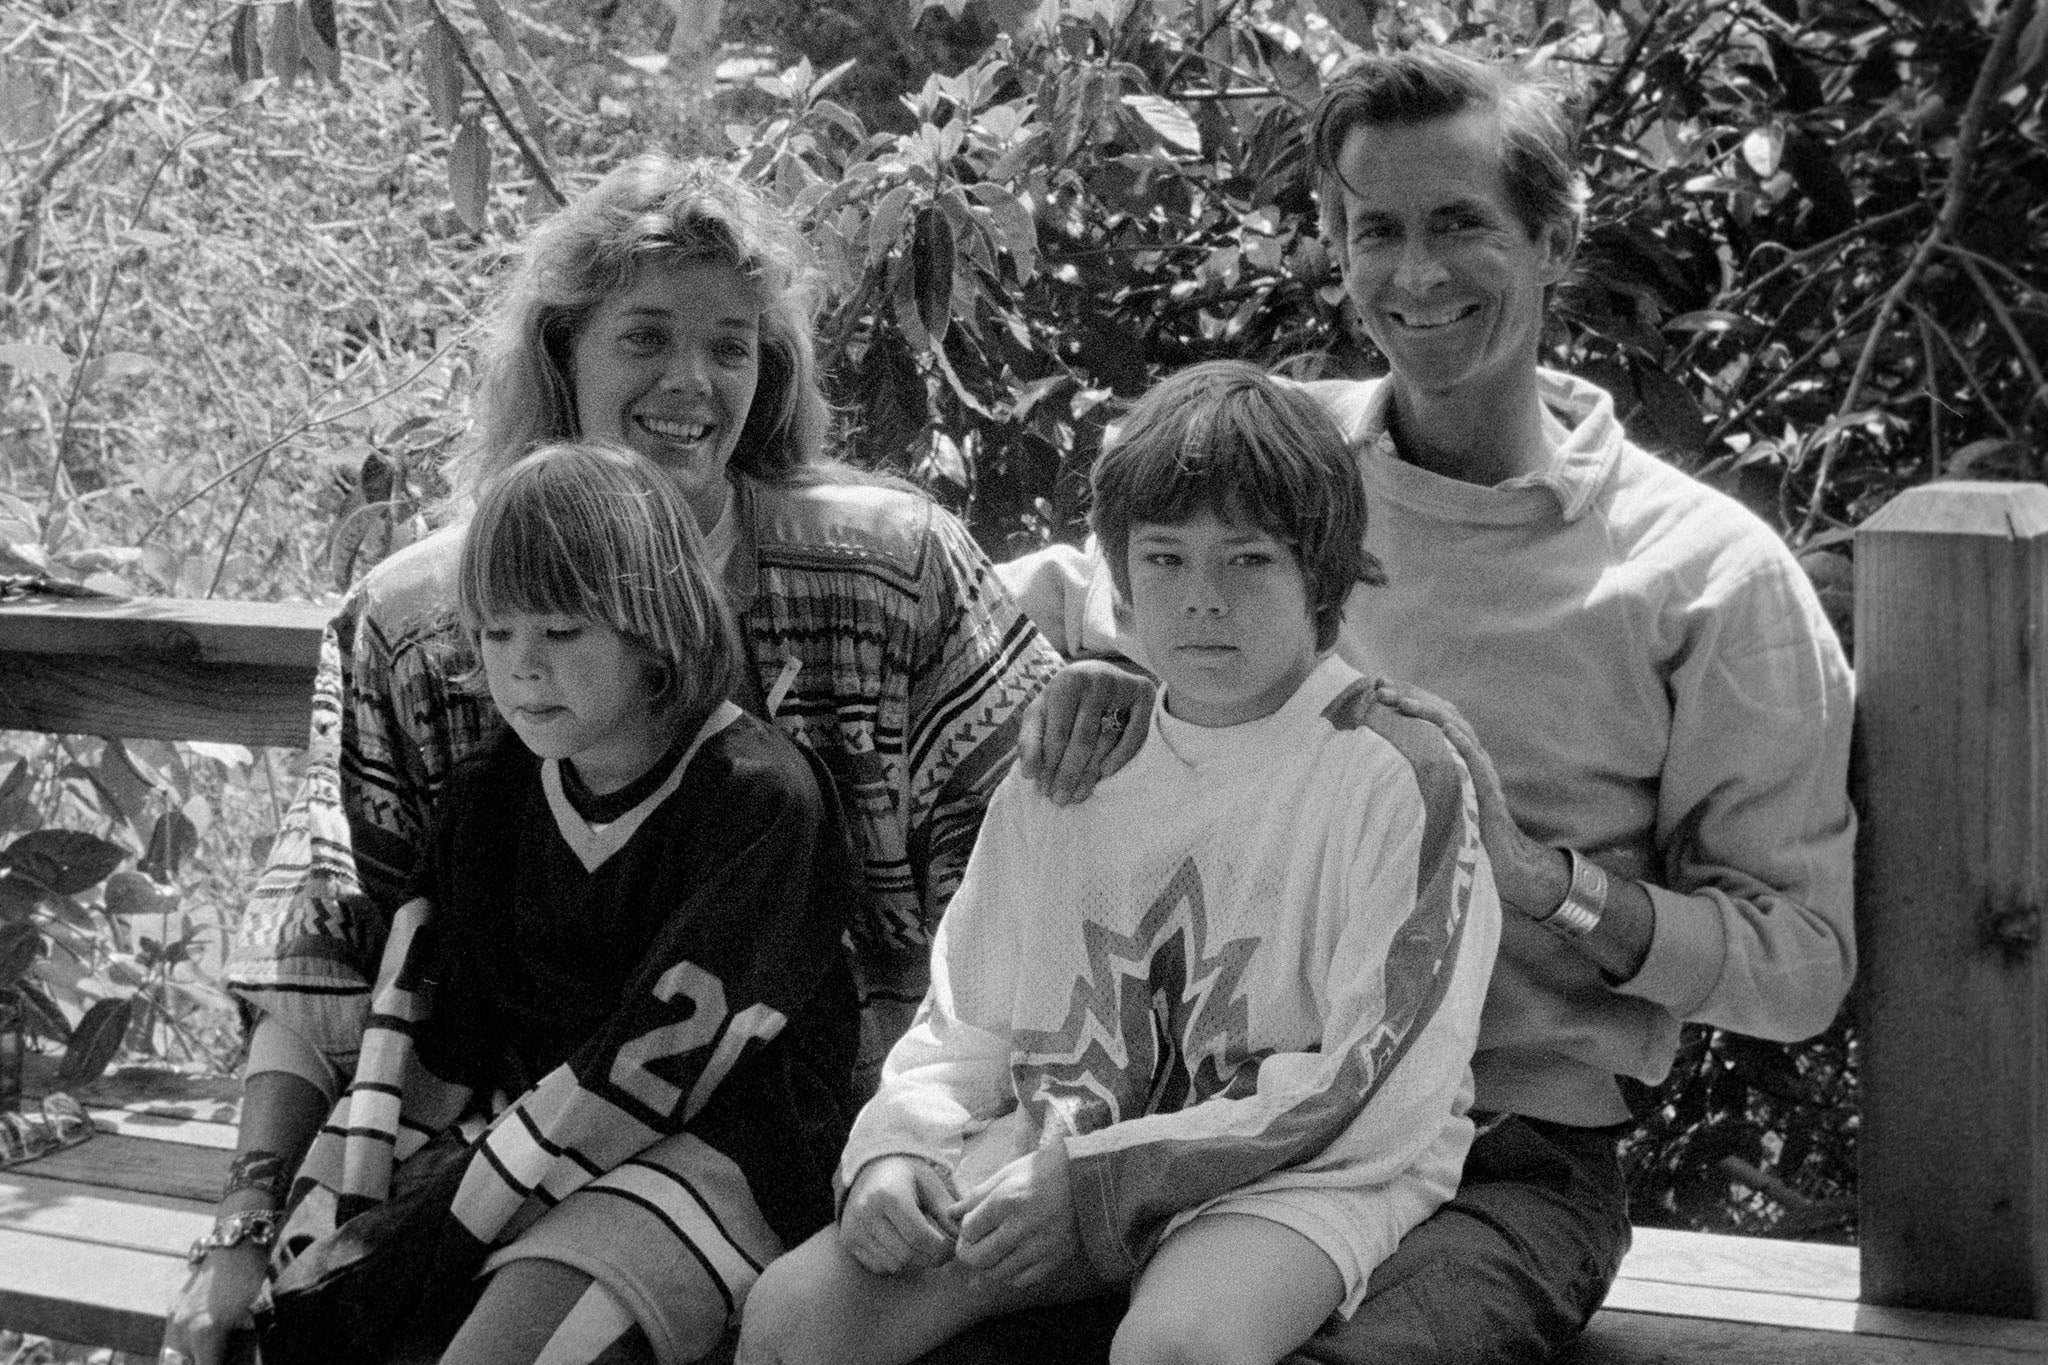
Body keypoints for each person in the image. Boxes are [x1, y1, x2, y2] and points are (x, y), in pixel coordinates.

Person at [998, 45, 1856, 1364]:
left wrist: (1548, 885)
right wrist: (1093, 681)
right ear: (1335, 244)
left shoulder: (1706, 573)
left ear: (1556, 237)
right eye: (1375, 231)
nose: (1416, 275)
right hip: (1213, 1114)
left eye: (1460, 224)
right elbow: (1059, 599)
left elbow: (1801, 967)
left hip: (1506, 1160)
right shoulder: (1272, 468)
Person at [167, 154, 1060, 1365]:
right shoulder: (421, 618)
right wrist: (239, 1229)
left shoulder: (888, 572)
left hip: (837, 1152)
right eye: (644, 337)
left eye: (731, 346)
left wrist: (1109, 709)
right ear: (561, 355)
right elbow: (330, 959)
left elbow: (1045, 865)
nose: (691, 383)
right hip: (511, 1140)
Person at [737, 361, 1501, 1365]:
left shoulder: (1395, 771)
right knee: (797, 1317)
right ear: (1122, 582)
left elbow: (1370, 1076)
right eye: (1166, 559)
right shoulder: (1074, 758)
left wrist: (1096, 1182)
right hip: (1063, 1157)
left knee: (1177, 1347)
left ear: (1321, 574)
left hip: (1299, 1170)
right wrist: (895, 1151)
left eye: (1248, 561)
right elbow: (967, 1022)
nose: (1202, 601)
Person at [258, 440, 860, 1364]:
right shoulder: (497, 791)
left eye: (563, 631)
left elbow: (653, 1071)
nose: (523, 667)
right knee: (317, 1297)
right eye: (497, 633)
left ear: (656, 622)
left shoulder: (760, 800)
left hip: (717, 1153)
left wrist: (428, 1235)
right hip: (531, 1132)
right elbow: (429, 1020)